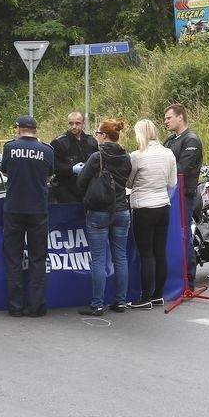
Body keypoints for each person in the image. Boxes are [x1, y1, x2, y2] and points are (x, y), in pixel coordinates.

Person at [76, 119, 132, 315]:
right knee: (120, 257)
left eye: (99, 133)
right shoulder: (126, 157)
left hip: (99, 212)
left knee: (99, 259)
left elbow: (81, 183)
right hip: (122, 210)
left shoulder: (97, 157)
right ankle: (121, 302)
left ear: (105, 135)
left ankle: (98, 304)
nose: (97, 136)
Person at [1, 115, 54, 317]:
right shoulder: (47, 150)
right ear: (35, 130)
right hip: (38, 210)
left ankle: (15, 307)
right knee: (38, 258)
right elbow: (49, 176)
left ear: (18, 129)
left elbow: (5, 172)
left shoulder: (9, 148)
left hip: (13, 208)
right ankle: (36, 306)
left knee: (13, 258)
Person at [127, 119, 177, 309]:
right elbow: (172, 182)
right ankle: (158, 295)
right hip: (163, 205)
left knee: (146, 254)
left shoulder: (137, 156)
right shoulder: (169, 153)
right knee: (160, 252)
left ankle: (145, 297)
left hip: (143, 207)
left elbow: (129, 183)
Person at [163, 103, 202, 291]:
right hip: (168, 195)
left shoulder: (191, 140)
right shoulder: (170, 140)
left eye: (169, 117)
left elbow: (182, 169)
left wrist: (160, 172)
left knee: (183, 235)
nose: (166, 121)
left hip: (184, 196)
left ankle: (188, 280)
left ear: (180, 117)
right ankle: (171, 276)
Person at [49, 111, 98, 203]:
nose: (74, 126)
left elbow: (98, 163)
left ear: (83, 124)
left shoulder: (91, 141)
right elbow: (54, 166)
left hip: (87, 190)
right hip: (66, 191)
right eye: (71, 123)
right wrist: (71, 169)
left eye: (77, 123)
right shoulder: (59, 142)